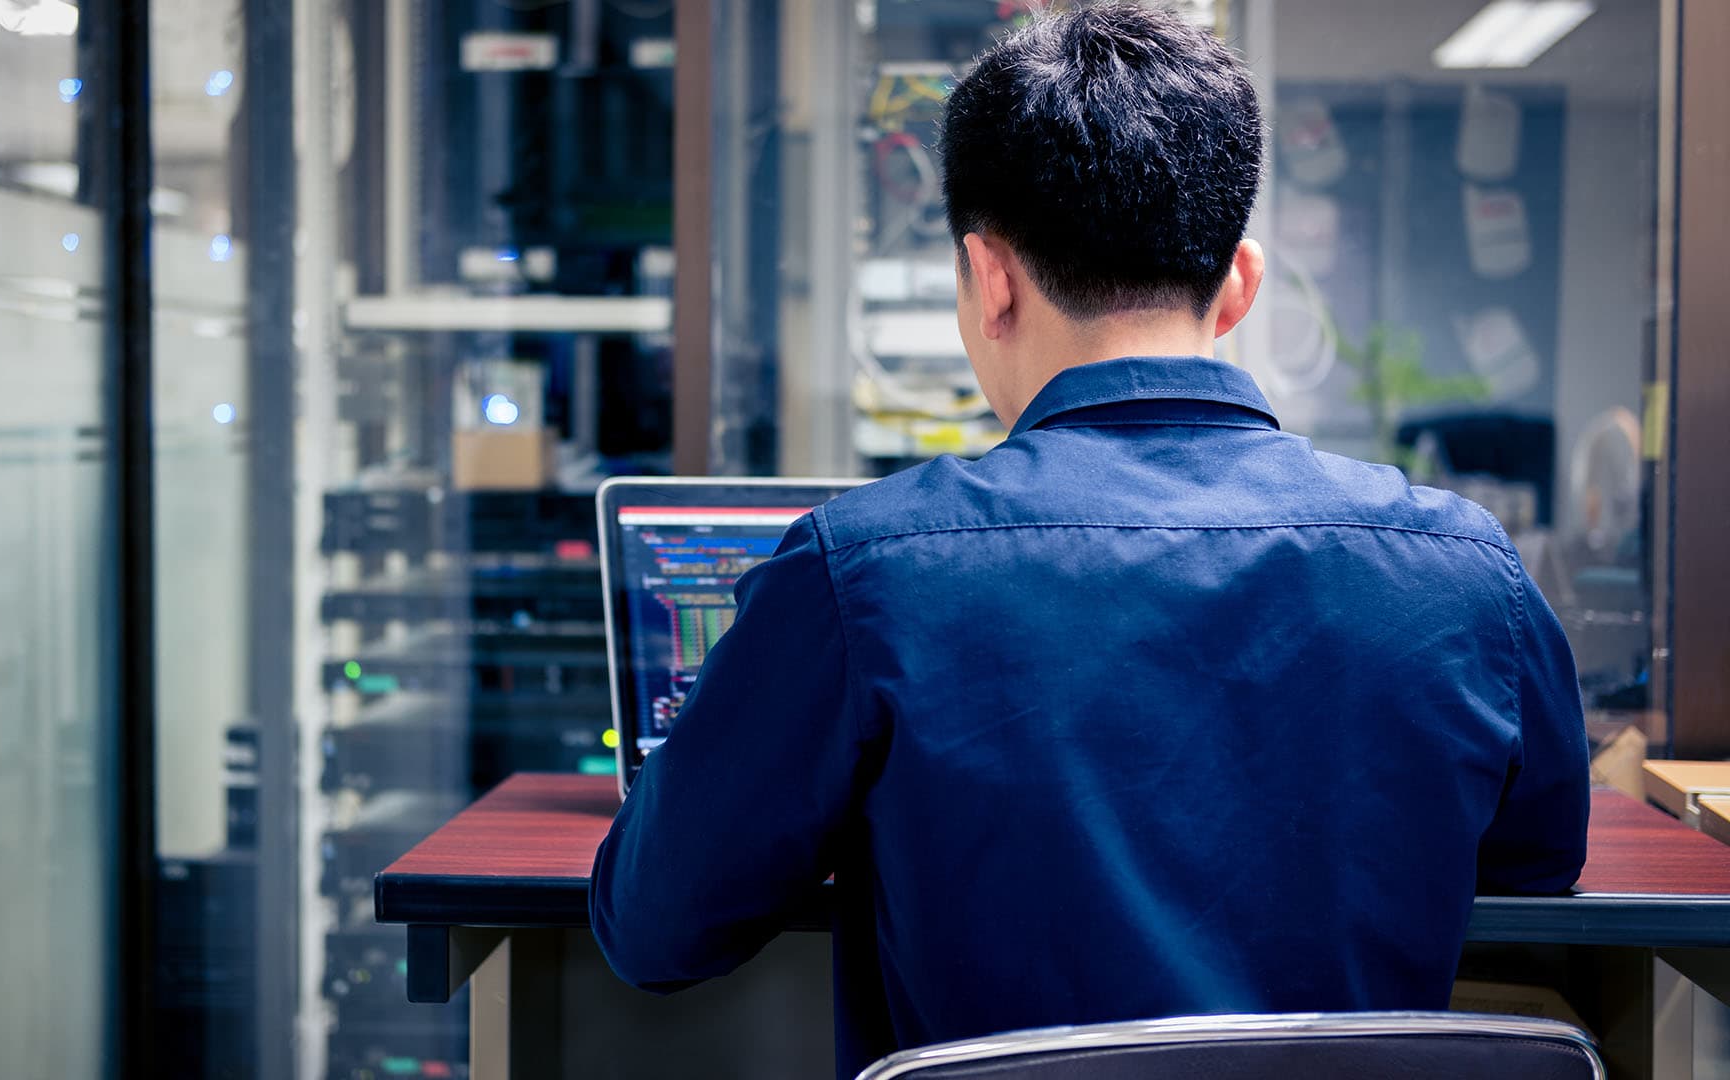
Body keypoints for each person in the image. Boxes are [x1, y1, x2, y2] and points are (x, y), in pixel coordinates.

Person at [589, 5, 1589, 1077]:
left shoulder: (863, 571)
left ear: (991, 278)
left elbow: (657, 928)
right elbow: (1536, 861)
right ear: (1240, 282)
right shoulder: (1466, 570)